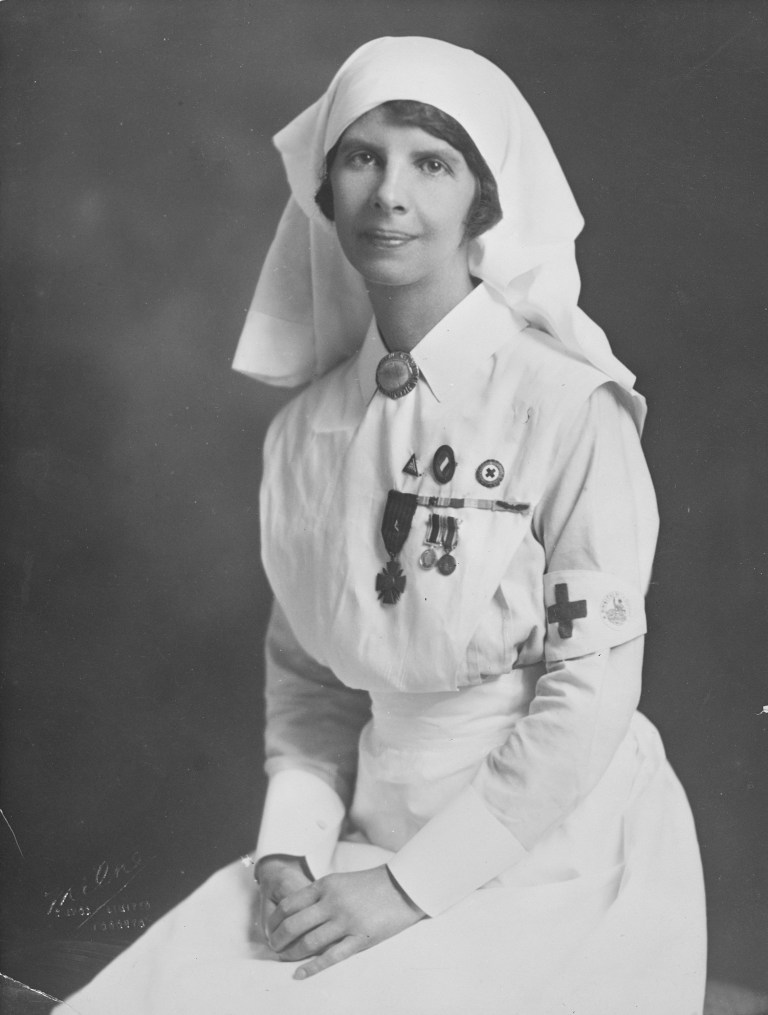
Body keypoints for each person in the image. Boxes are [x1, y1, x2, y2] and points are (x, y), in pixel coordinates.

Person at [56, 36, 707, 1015]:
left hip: (559, 847)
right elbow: (314, 690)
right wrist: (289, 850)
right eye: (362, 157)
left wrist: (409, 890)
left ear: (484, 200)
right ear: (325, 190)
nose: (389, 194)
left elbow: (590, 697)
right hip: (371, 831)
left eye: (431, 161)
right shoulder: (302, 434)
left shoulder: (570, 408)